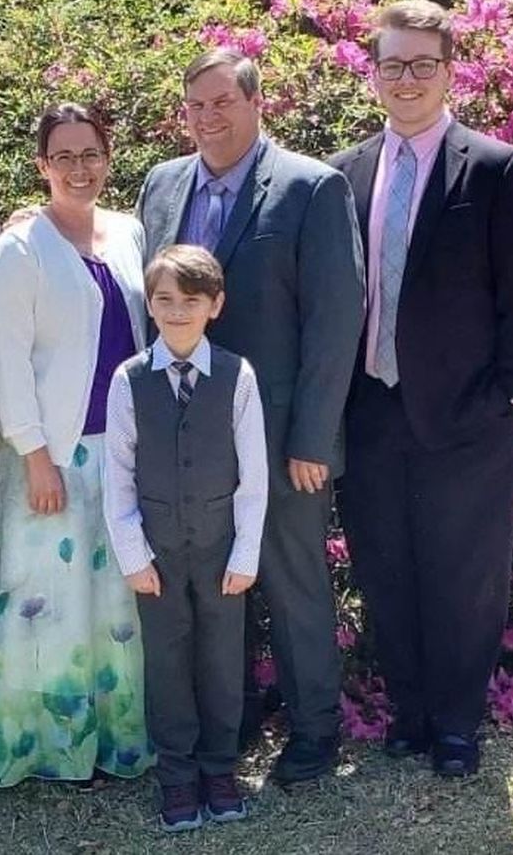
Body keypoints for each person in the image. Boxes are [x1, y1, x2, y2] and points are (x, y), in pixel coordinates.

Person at [329, 0, 513, 777]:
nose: (407, 78)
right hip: (371, 408)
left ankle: (457, 724)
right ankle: (411, 712)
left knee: (464, 574)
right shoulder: (344, 173)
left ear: (449, 71)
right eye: (393, 63)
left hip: (468, 416)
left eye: (423, 64)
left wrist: (512, 398)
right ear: (373, 72)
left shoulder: (494, 167)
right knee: (385, 566)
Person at [135, 48, 365, 783]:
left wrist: (313, 438)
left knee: (293, 583)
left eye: (222, 102)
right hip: (189, 442)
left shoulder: (311, 187)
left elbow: (335, 323)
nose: (208, 118)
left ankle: (315, 732)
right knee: (211, 584)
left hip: (281, 438)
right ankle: (229, 721)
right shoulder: (162, 185)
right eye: (195, 105)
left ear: (257, 103)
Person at [0, 103, 153, 787]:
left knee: (116, 605)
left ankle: (118, 740)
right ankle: (49, 748)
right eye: (64, 157)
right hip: (53, 455)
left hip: (124, 450)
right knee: (47, 604)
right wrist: (34, 455)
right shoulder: (21, 247)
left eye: (91, 154)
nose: (79, 168)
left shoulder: (129, 233)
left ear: (108, 158)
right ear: (42, 166)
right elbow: (8, 359)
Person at [105, 244, 267, 830]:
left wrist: (246, 552)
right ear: (149, 304)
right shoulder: (128, 380)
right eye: (165, 299)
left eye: (191, 300)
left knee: (222, 661)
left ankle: (219, 769)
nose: (177, 311)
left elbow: (254, 475)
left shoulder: (237, 376)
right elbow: (117, 475)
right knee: (167, 661)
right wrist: (133, 555)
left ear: (214, 306)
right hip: (158, 552)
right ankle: (176, 775)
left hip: (221, 549)